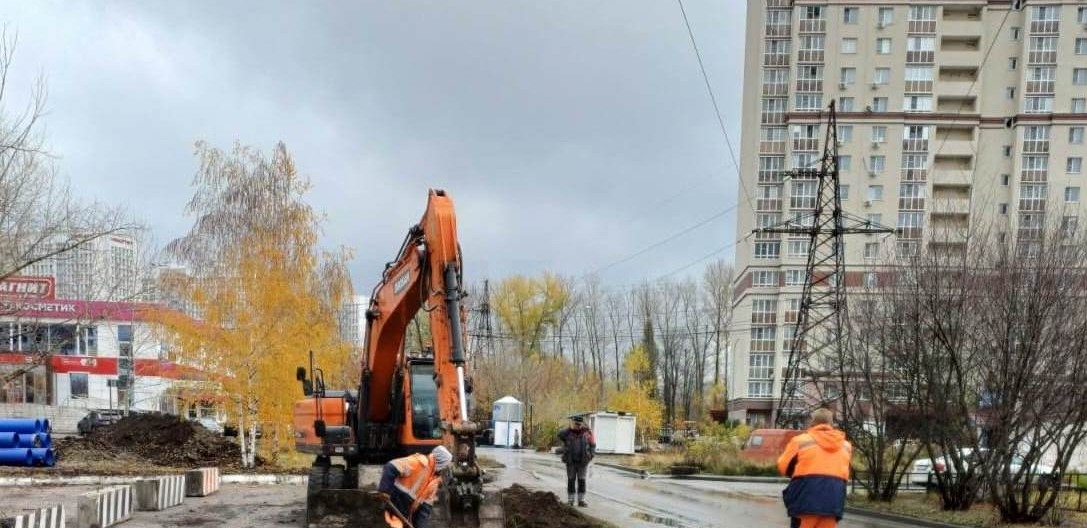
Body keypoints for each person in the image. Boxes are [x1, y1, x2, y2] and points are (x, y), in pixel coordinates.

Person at [777, 408, 852, 528]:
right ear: (831, 424)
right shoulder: (846, 446)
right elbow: (844, 472)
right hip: (833, 503)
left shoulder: (800, 441)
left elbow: (783, 467)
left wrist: (798, 472)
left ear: (812, 422)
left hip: (805, 501)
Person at [378, 445, 453, 528]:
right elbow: (391, 467)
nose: (446, 468)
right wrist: (385, 490)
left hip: (407, 513)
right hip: (395, 504)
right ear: (441, 462)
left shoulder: (434, 481)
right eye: (446, 465)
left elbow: (425, 508)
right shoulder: (418, 462)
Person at [557, 415, 596, 507]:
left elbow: (593, 445)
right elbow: (559, 434)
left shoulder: (587, 433)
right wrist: (569, 428)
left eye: (579, 424)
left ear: (582, 424)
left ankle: (581, 500)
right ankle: (570, 500)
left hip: (583, 462)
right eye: (575, 424)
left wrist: (591, 455)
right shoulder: (567, 433)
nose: (577, 426)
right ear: (573, 423)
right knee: (571, 481)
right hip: (570, 461)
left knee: (581, 481)